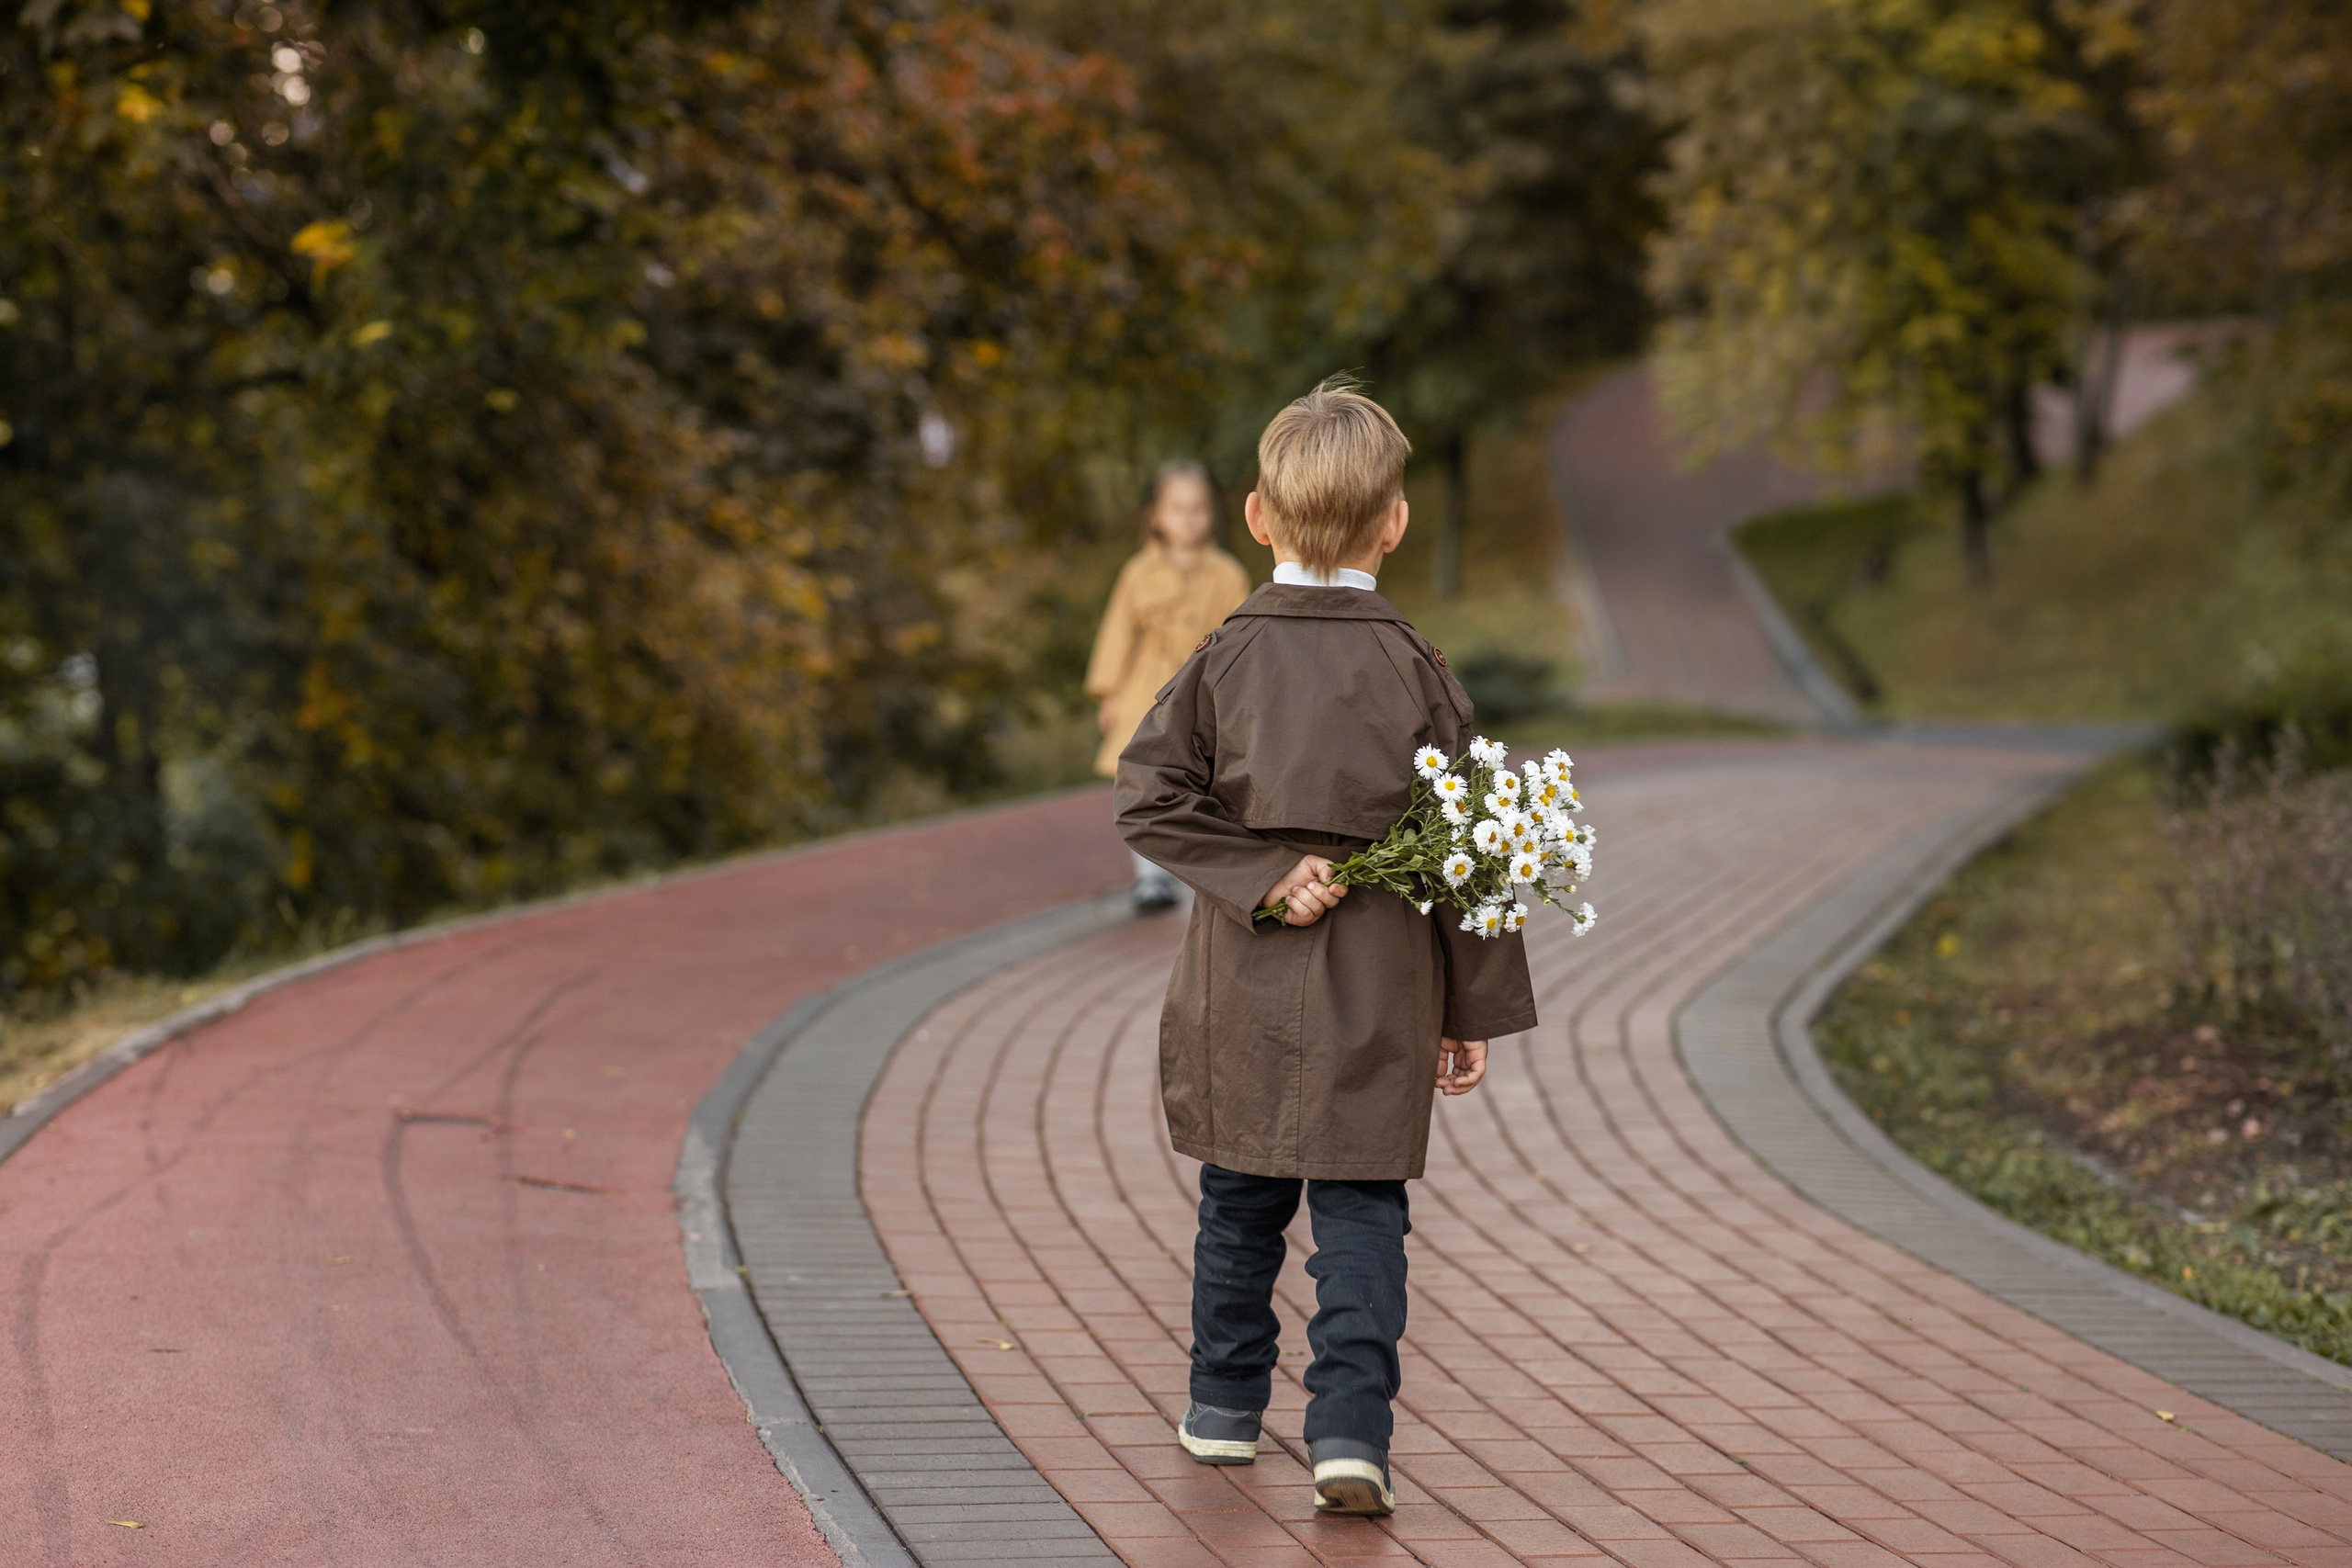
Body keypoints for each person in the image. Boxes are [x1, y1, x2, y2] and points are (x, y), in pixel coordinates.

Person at [1114, 379, 1536, 1517]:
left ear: (1256, 517)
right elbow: (1474, 848)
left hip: (1239, 980)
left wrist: (1258, 875)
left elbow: (1150, 799)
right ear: (1394, 523)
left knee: (1237, 1200)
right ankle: (1349, 1433)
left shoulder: (1226, 654)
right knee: (1361, 1211)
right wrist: (1470, 1008)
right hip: (1379, 984)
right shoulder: (1417, 666)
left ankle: (1219, 1409)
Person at [1085, 460, 1252, 912]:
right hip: (1145, 689)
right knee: (1143, 780)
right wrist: (1110, 694)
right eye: (1178, 508)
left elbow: (1240, 636)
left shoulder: (1227, 573)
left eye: (1198, 507)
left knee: (1201, 777)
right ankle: (1149, 878)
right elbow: (1118, 633)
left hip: (1201, 687)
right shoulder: (1137, 573)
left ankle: (1199, 868)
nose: (1190, 517)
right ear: (1156, 516)